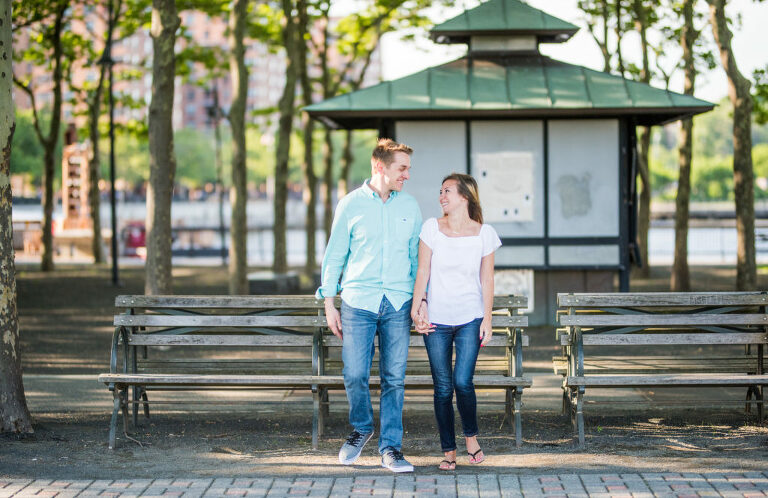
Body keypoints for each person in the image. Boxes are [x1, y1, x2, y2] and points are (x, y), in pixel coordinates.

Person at [317, 138, 422, 473]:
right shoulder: (350, 205)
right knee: (354, 373)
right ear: (380, 166)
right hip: (358, 302)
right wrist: (329, 304)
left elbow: (417, 260)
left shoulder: (411, 207)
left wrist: (421, 301)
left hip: (398, 302)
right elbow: (335, 256)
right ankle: (362, 427)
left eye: (408, 168)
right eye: (401, 168)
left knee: (394, 379)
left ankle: (391, 448)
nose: (407, 175)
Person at [410, 173, 501, 471]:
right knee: (442, 388)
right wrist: (417, 307)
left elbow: (487, 280)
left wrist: (487, 318)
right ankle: (449, 450)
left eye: (447, 191)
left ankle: (471, 437)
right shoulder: (431, 228)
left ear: (465, 196)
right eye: (440, 191)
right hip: (435, 321)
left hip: (470, 319)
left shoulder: (485, 233)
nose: (441, 197)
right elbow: (422, 271)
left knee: (462, 382)